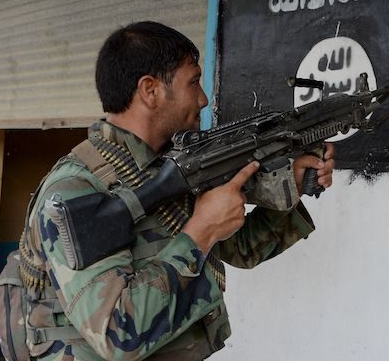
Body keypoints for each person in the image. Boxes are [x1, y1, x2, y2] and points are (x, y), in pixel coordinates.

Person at [20, 21, 335, 360]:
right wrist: (201, 231)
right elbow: (117, 334)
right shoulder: (76, 190)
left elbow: (241, 249)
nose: (202, 99)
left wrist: (295, 184)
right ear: (150, 91)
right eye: (194, 82)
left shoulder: (169, 165)